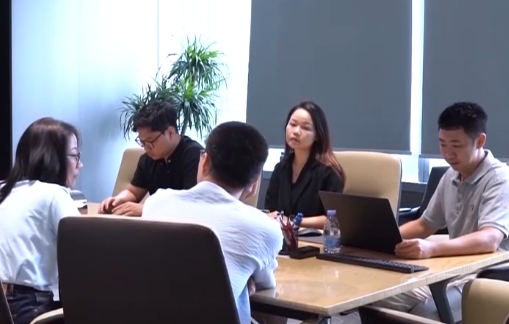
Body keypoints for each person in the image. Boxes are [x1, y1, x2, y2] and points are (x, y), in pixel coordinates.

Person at [372, 102, 509, 321]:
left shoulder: (501, 180)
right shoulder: (451, 176)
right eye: (442, 144)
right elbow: (425, 224)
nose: (448, 153)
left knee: (426, 313)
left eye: (456, 145)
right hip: (456, 268)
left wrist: (431, 248)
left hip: (493, 277)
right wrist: (380, 237)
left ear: (480, 141)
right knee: (376, 298)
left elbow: (489, 239)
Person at [143, 121, 282, 324]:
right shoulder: (265, 228)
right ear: (254, 185)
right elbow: (266, 283)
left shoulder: (156, 203)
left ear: (205, 161)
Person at [0, 117, 84, 324]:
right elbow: (84, 258)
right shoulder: (54, 195)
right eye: (75, 155)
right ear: (52, 158)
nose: (80, 165)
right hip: (30, 308)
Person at [100, 99, 203, 216]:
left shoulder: (195, 156)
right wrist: (117, 200)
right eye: (142, 142)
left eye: (150, 142)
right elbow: (133, 192)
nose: (146, 148)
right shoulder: (147, 159)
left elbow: (191, 206)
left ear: (170, 132)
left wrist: (147, 209)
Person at [265, 101, 345, 229]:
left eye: (305, 128)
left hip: (314, 239)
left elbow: (334, 218)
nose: (296, 131)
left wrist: (293, 222)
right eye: (293, 124)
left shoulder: (329, 172)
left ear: (317, 135)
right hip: (281, 237)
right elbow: (270, 211)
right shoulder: (280, 169)